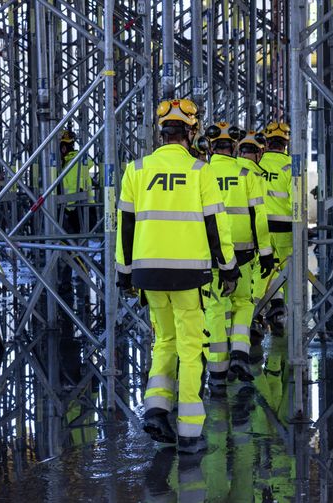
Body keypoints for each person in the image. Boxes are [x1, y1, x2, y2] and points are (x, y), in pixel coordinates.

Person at [116, 98, 239, 454]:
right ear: (191, 132)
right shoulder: (202, 172)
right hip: (189, 276)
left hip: (147, 273)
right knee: (190, 348)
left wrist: (125, 273)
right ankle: (189, 433)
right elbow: (217, 226)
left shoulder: (135, 170)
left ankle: (156, 408)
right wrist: (228, 267)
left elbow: (124, 226)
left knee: (163, 341)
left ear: (162, 133)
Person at [203, 122, 273, 392]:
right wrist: (265, 253)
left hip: (211, 255)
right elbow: (259, 217)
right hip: (243, 254)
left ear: (211, 147)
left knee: (215, 309)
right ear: (233, 147)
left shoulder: (202, 173)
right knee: (243, 303)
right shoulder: (247, 173)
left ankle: (217, 374)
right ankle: (240, 355)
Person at [259, 122, 293, 336]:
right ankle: (285, 309)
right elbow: (297, 199)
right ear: (286, 143)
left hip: (261, 226)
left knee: (264, 269)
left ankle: (267, 305)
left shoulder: (257, 163)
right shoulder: (290, 166)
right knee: (288, 270)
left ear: (267, 141)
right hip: (285, 227)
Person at [59, 130, 95, 234]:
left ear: (63, 148)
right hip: (85, 208)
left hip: (77, 210)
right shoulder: (76, 160)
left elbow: (72, 190)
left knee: (72, 242)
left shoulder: (72, 164)